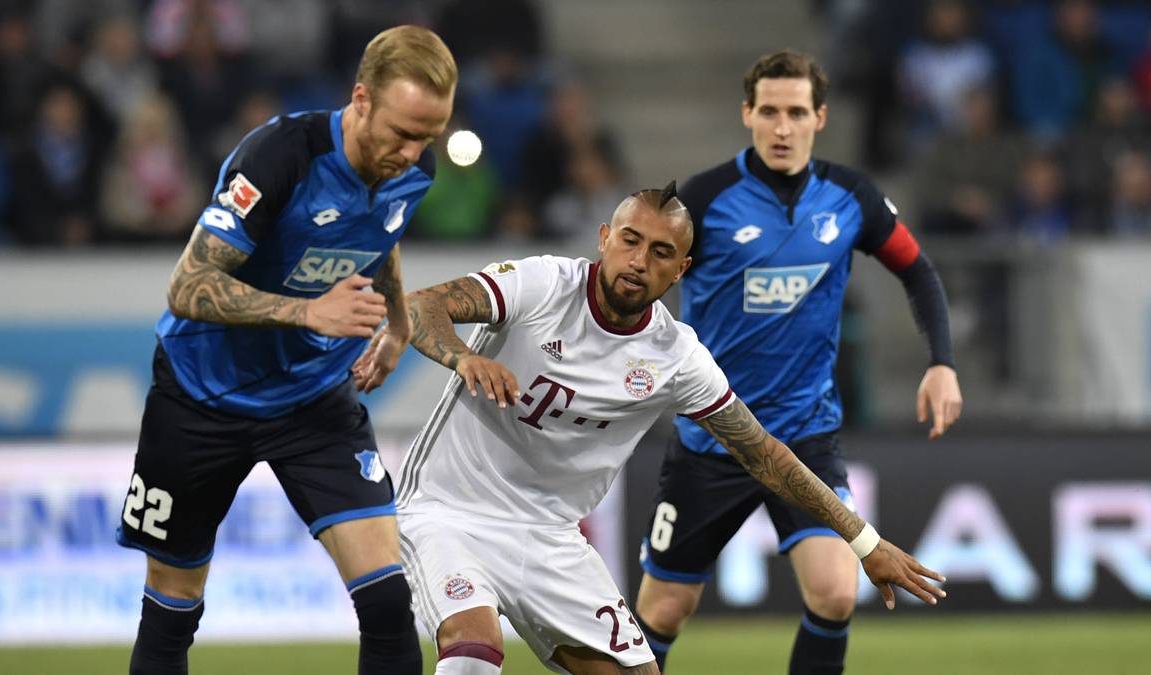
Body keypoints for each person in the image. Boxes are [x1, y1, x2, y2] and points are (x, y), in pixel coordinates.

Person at [376, 183, 945, 675]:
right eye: (630, 240)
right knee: (474, 649)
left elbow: (764, 453)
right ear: (604, 238)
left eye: (661, 251)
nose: (639, 260)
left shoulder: (676, 356)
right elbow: (422, 306)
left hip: (549, 536)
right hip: (449, 511)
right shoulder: (543, 284)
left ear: (681, 270)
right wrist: (463, 358)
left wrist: (864, 541)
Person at [114, 25, 456, 675]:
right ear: (361, 99)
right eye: (402, 132)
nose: (412, 153)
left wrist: (399, 323)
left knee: (388, 600)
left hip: (313, 397)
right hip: (201, 396)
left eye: (428, 136)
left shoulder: (415, 170)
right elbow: (188, 285)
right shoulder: (279, 157)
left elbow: (380, 233)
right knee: (172, 607)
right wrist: (308, 310)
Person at [631, 51, 963, 675]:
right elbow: (633, 280)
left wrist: (941, 362)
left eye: (796, 113)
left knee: (836, 593)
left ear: (820, 117)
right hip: (714, 438)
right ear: (747, 114)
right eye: (770, 112)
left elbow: (917, 270)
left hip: (805, 435)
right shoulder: (703, 200)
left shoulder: (851, 198)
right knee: (664, 610)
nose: (782, 128)